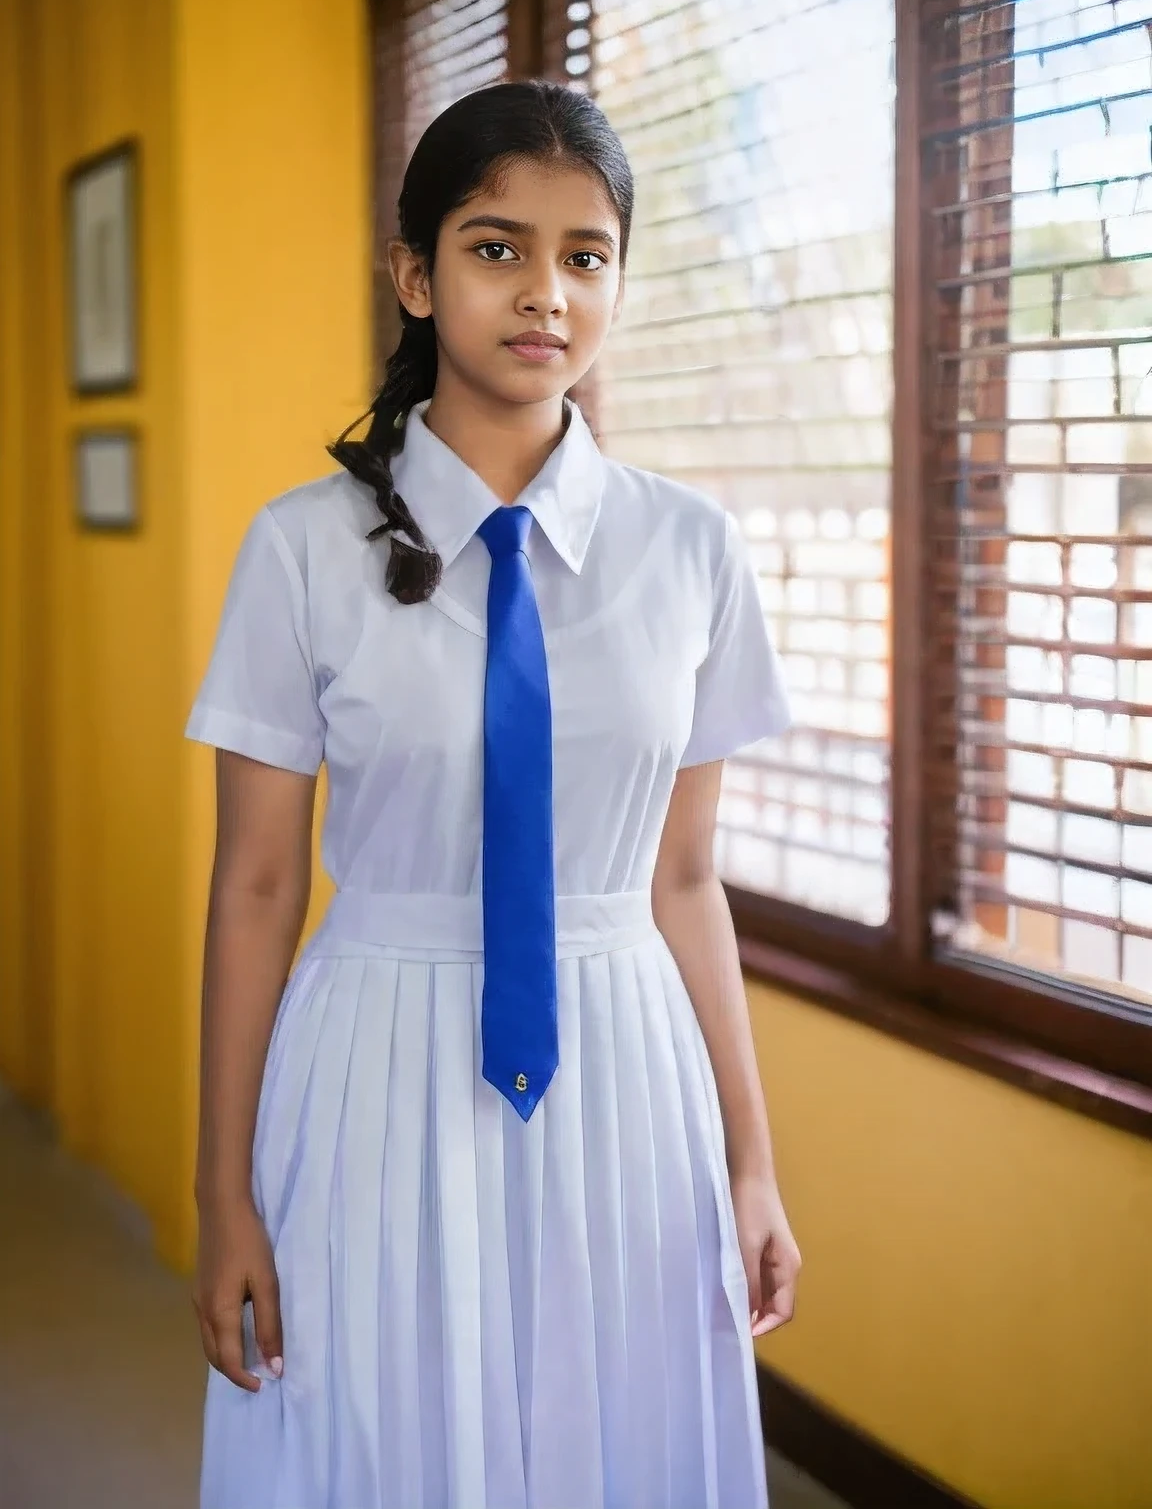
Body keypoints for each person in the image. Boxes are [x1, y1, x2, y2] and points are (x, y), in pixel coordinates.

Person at [187, 78, 801, 1509]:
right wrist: (223, 1195)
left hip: (630, 1074)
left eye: (586, 256)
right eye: (496, 247)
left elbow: (687, 879)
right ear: (416, 274)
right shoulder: (302, 551)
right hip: (375, 1064)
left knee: (620, 1441)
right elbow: (257, 887)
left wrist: (754, 1164)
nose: (547, 294)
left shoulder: (691, 549)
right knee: (383, 1442)